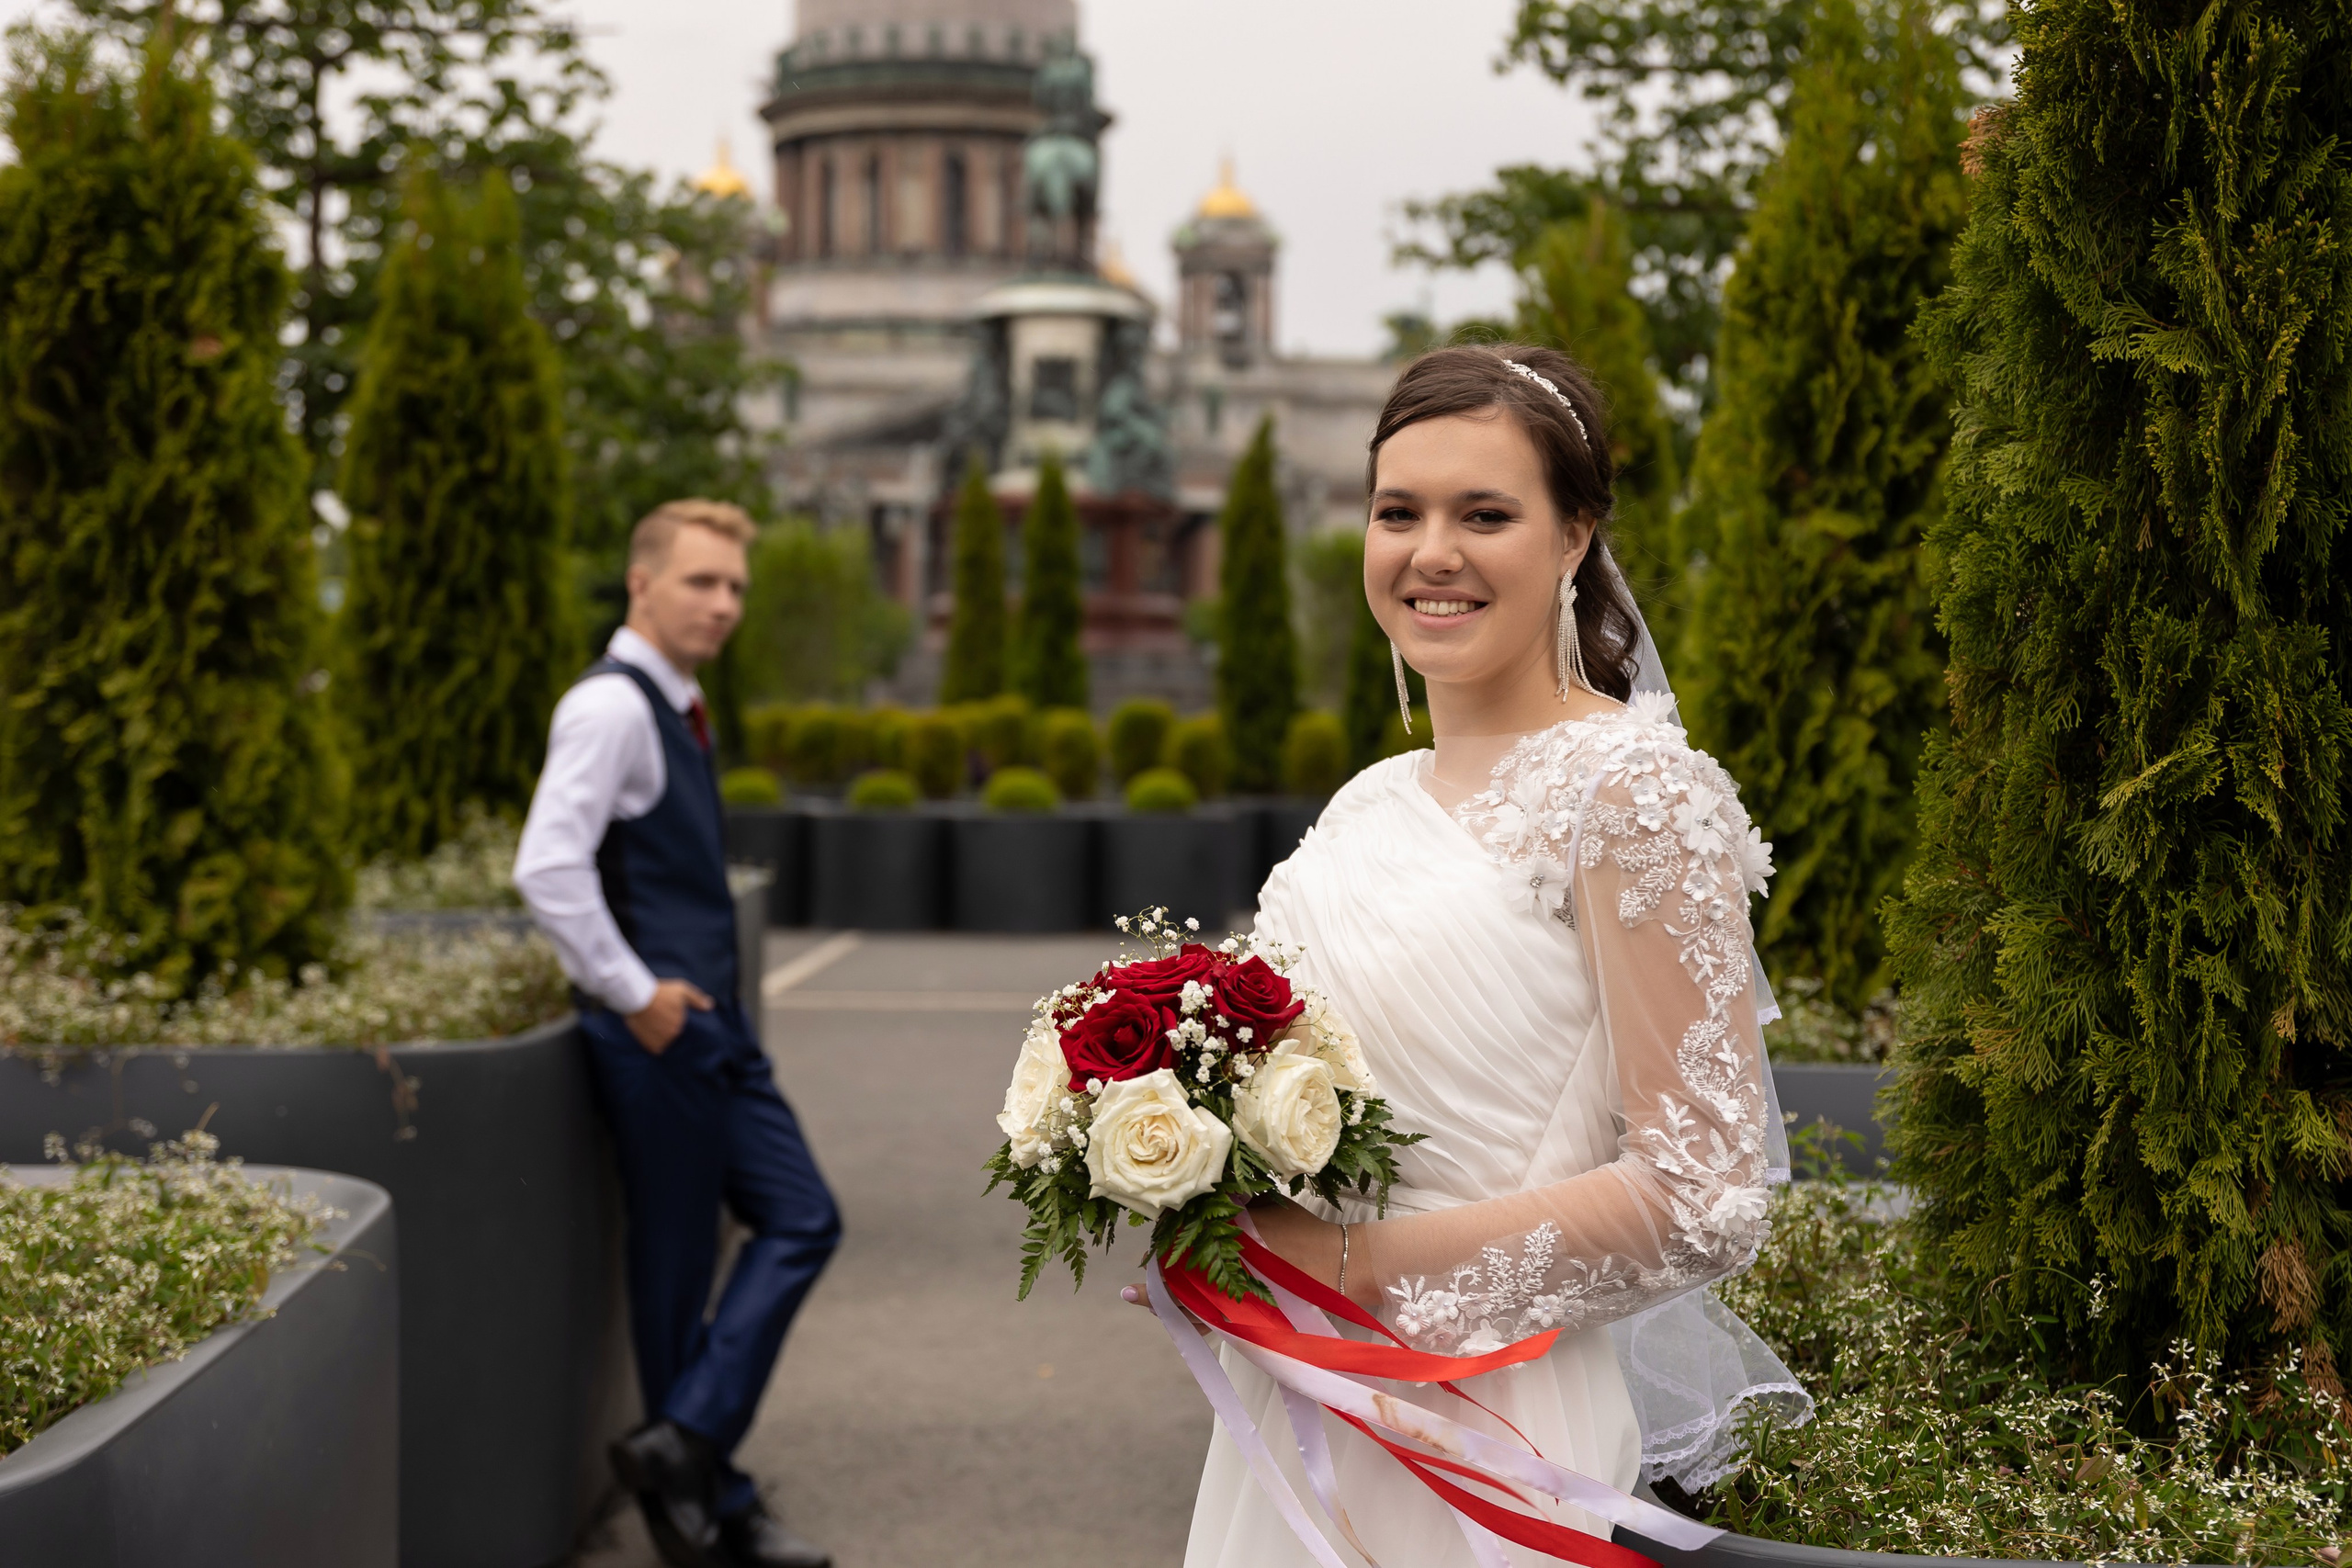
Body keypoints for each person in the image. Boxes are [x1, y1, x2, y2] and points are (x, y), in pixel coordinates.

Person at [1160, 346, 1806, 1564]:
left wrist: (1354, 1267)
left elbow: (1704, 1193)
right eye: (1397, 510)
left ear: (1575, 538)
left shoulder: (1634, 794)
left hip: (1491, 1436)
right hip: (1297, 1408)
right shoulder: (1366, 800)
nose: (1430, 550)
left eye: (1485, 513)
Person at [514, 500, 840, 1568]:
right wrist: (631, 991)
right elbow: (547, 868)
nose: (724, 604)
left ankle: (685, 1446)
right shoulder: (610, 710)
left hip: (703, 1031)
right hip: (659, 1032)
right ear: (639, 582)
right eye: (701, 581)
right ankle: (705, 1503)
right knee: (677, 1261)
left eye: (735, 586)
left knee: (795, 1218)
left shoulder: (677, 701)